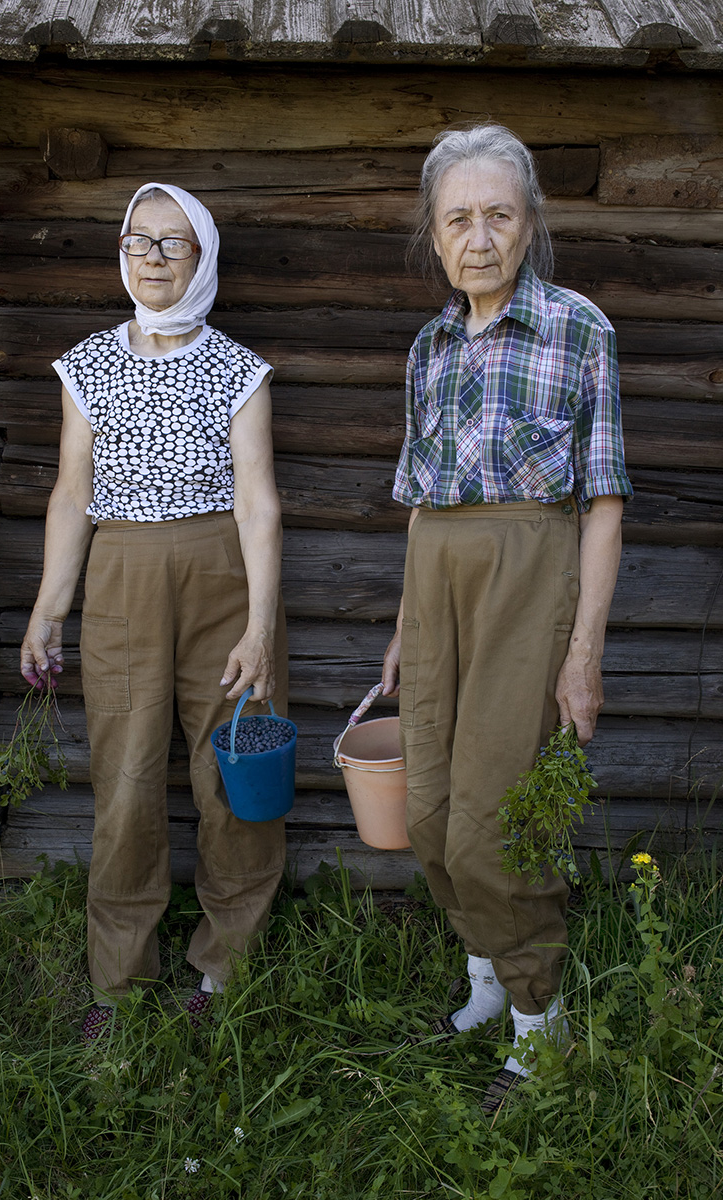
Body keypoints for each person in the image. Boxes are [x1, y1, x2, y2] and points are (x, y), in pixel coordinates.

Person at [381, 125, 632, 1113]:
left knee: (494, 820)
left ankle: (542, 1026)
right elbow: (418, 497)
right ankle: (486, 985)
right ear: (434, 238)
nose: (476, 236)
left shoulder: (578, 329)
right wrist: (406, 622)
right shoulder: (429, 346)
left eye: (496, 213)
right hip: (432, 573)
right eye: (457, 218)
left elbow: (602, 499)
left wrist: (582, 653)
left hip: (530, 579)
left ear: (528, 224)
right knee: (434, 812)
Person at [20, 182, 287, 1042]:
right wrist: (48, 609)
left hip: (221, 576)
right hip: (124, 574)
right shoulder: (88, 364)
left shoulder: (238, 369)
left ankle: (226, 967)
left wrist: (259, 627)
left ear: (203, 256)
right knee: (127, 777)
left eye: (175, 243)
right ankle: (119, 982)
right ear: (122, 252)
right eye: (141, 241)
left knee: (229, 777)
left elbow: (258, 504)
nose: (156, 258)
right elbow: (72, 494)